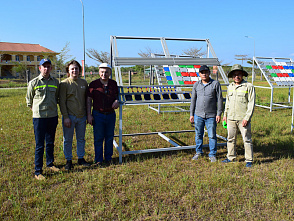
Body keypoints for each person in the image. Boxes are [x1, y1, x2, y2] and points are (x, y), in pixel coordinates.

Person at [26, 58, 60, 180]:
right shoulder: (33, 83)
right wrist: (37, 111)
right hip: (39, 118)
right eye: (44, 66)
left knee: (50, 142)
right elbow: (29, 101)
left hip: (52, 116)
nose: (46, 69)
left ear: (51, 68)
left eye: (48, 66)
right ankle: (38, 171)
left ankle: (50, 164)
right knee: (40, 145)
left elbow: (57, 98)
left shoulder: (55, 82)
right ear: (39, 68)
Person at [59, 60, 90, 170]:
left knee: (81, 138)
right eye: (72, 69)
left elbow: (87, 100)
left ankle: (81, 158)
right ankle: (68, 160)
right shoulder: (64, 84)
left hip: (82, 116)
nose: (74, 70)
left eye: (76, 68)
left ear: (79, 70)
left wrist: (87, 114)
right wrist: (66, 117)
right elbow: (62, 101)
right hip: (70, 117)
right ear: (68, 70)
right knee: (67, 139)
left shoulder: (84, 83)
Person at [222, 64, 255, 167]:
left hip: (243, 119)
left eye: (239, 74)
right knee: (230, 138)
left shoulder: (248, 86)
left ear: (242, 75)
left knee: (246, 139)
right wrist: (225, 115)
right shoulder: (230, 87)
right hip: (231, 118)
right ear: (232, 76)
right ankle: (231, 157)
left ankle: (249, 160)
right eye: (235, 74)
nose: (237, 76)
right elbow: (227, 102)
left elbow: (251, 103)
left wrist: (247, 118)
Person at [87, 63, 119, 165]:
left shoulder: (113, 84)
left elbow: (117, 96)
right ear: (99, 72)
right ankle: (99, 160)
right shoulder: (93, 84)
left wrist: (117, 101)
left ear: (110, 72)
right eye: (102, 72)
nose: (104, 74)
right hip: (98, 114)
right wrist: (89, 114)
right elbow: (89, 100)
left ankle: (108, 158)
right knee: (98, 138)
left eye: (106, 72)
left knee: (109, 137)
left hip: (110, 114)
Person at [189, 65, 223, 162]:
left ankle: (212, 154)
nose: (204, 74)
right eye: (202, 72)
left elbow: (219, 99)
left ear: (209, 73)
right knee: (198, 134)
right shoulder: (196, 85)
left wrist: (219, 113)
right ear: (199, 74)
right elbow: (193, 100)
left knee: (212, 135)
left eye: (206, 72)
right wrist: (191, 114)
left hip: (211, 115)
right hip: (198, 115)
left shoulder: (215, 84)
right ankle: (198, 152)